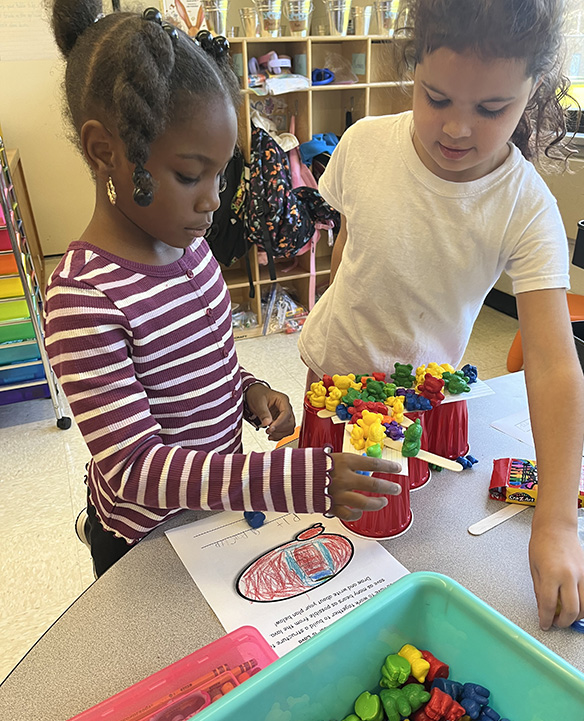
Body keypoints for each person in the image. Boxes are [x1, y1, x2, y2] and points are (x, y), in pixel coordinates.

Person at [45, 0, 402, 578]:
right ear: (105, 151)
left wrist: (247, 389)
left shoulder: (190, 246)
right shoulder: (84, 299)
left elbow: (199, 362)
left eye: (219, 174)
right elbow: (135, 467)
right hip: (146, 544)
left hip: (212, 515)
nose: (214, 199)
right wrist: (293, 481)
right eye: (190, 176)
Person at [298, 0, 584, 630]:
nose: (458, 129)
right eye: (436, 98)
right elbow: (350, 251)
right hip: (332, 381)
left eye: (491, 110)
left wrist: (557, 521)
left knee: (405, 554)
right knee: (319, 545)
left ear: (531, 90)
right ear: (413, 69)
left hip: (419, 401)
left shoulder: (526, 206)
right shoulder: (363, 143)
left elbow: (550, 361)